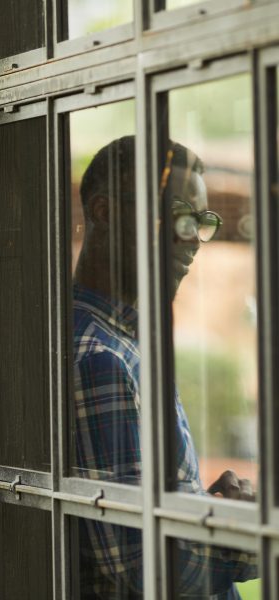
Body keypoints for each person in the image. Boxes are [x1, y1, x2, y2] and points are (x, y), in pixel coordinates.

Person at [72, 135, 256, 598]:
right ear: (105, 212)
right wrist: (248, 533)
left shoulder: (122, 342)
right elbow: (140, 560)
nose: (193, 239)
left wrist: (198, 505)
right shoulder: (102, 359)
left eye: (201, 221)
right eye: (177, 216)